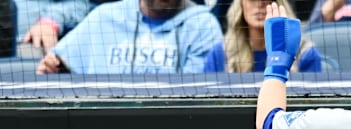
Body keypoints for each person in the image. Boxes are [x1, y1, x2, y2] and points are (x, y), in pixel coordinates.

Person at [36, 0, 222, 74]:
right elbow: (57, 64)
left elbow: (196, 93)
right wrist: (53, 70)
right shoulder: (105, 17)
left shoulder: (202, 25)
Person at [203, 0, 322, 73]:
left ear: (279, 4)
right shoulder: (220, 53)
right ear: (241, 4)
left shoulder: (305, 52)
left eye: (268, 0)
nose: (260, 4)